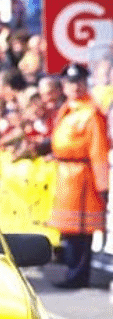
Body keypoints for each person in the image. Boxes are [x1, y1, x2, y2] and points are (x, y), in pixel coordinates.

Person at [46, 63, 110, 289]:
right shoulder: (68, 109)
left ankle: (78, 275)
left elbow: (98, 150)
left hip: (82, 177)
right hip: (66, 174)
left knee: (80, 232)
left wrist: (103, 184)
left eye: (79, 82)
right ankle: (73, 271)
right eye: (70, 82)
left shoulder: (91, 113)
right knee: (69, 230)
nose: (74, 87)